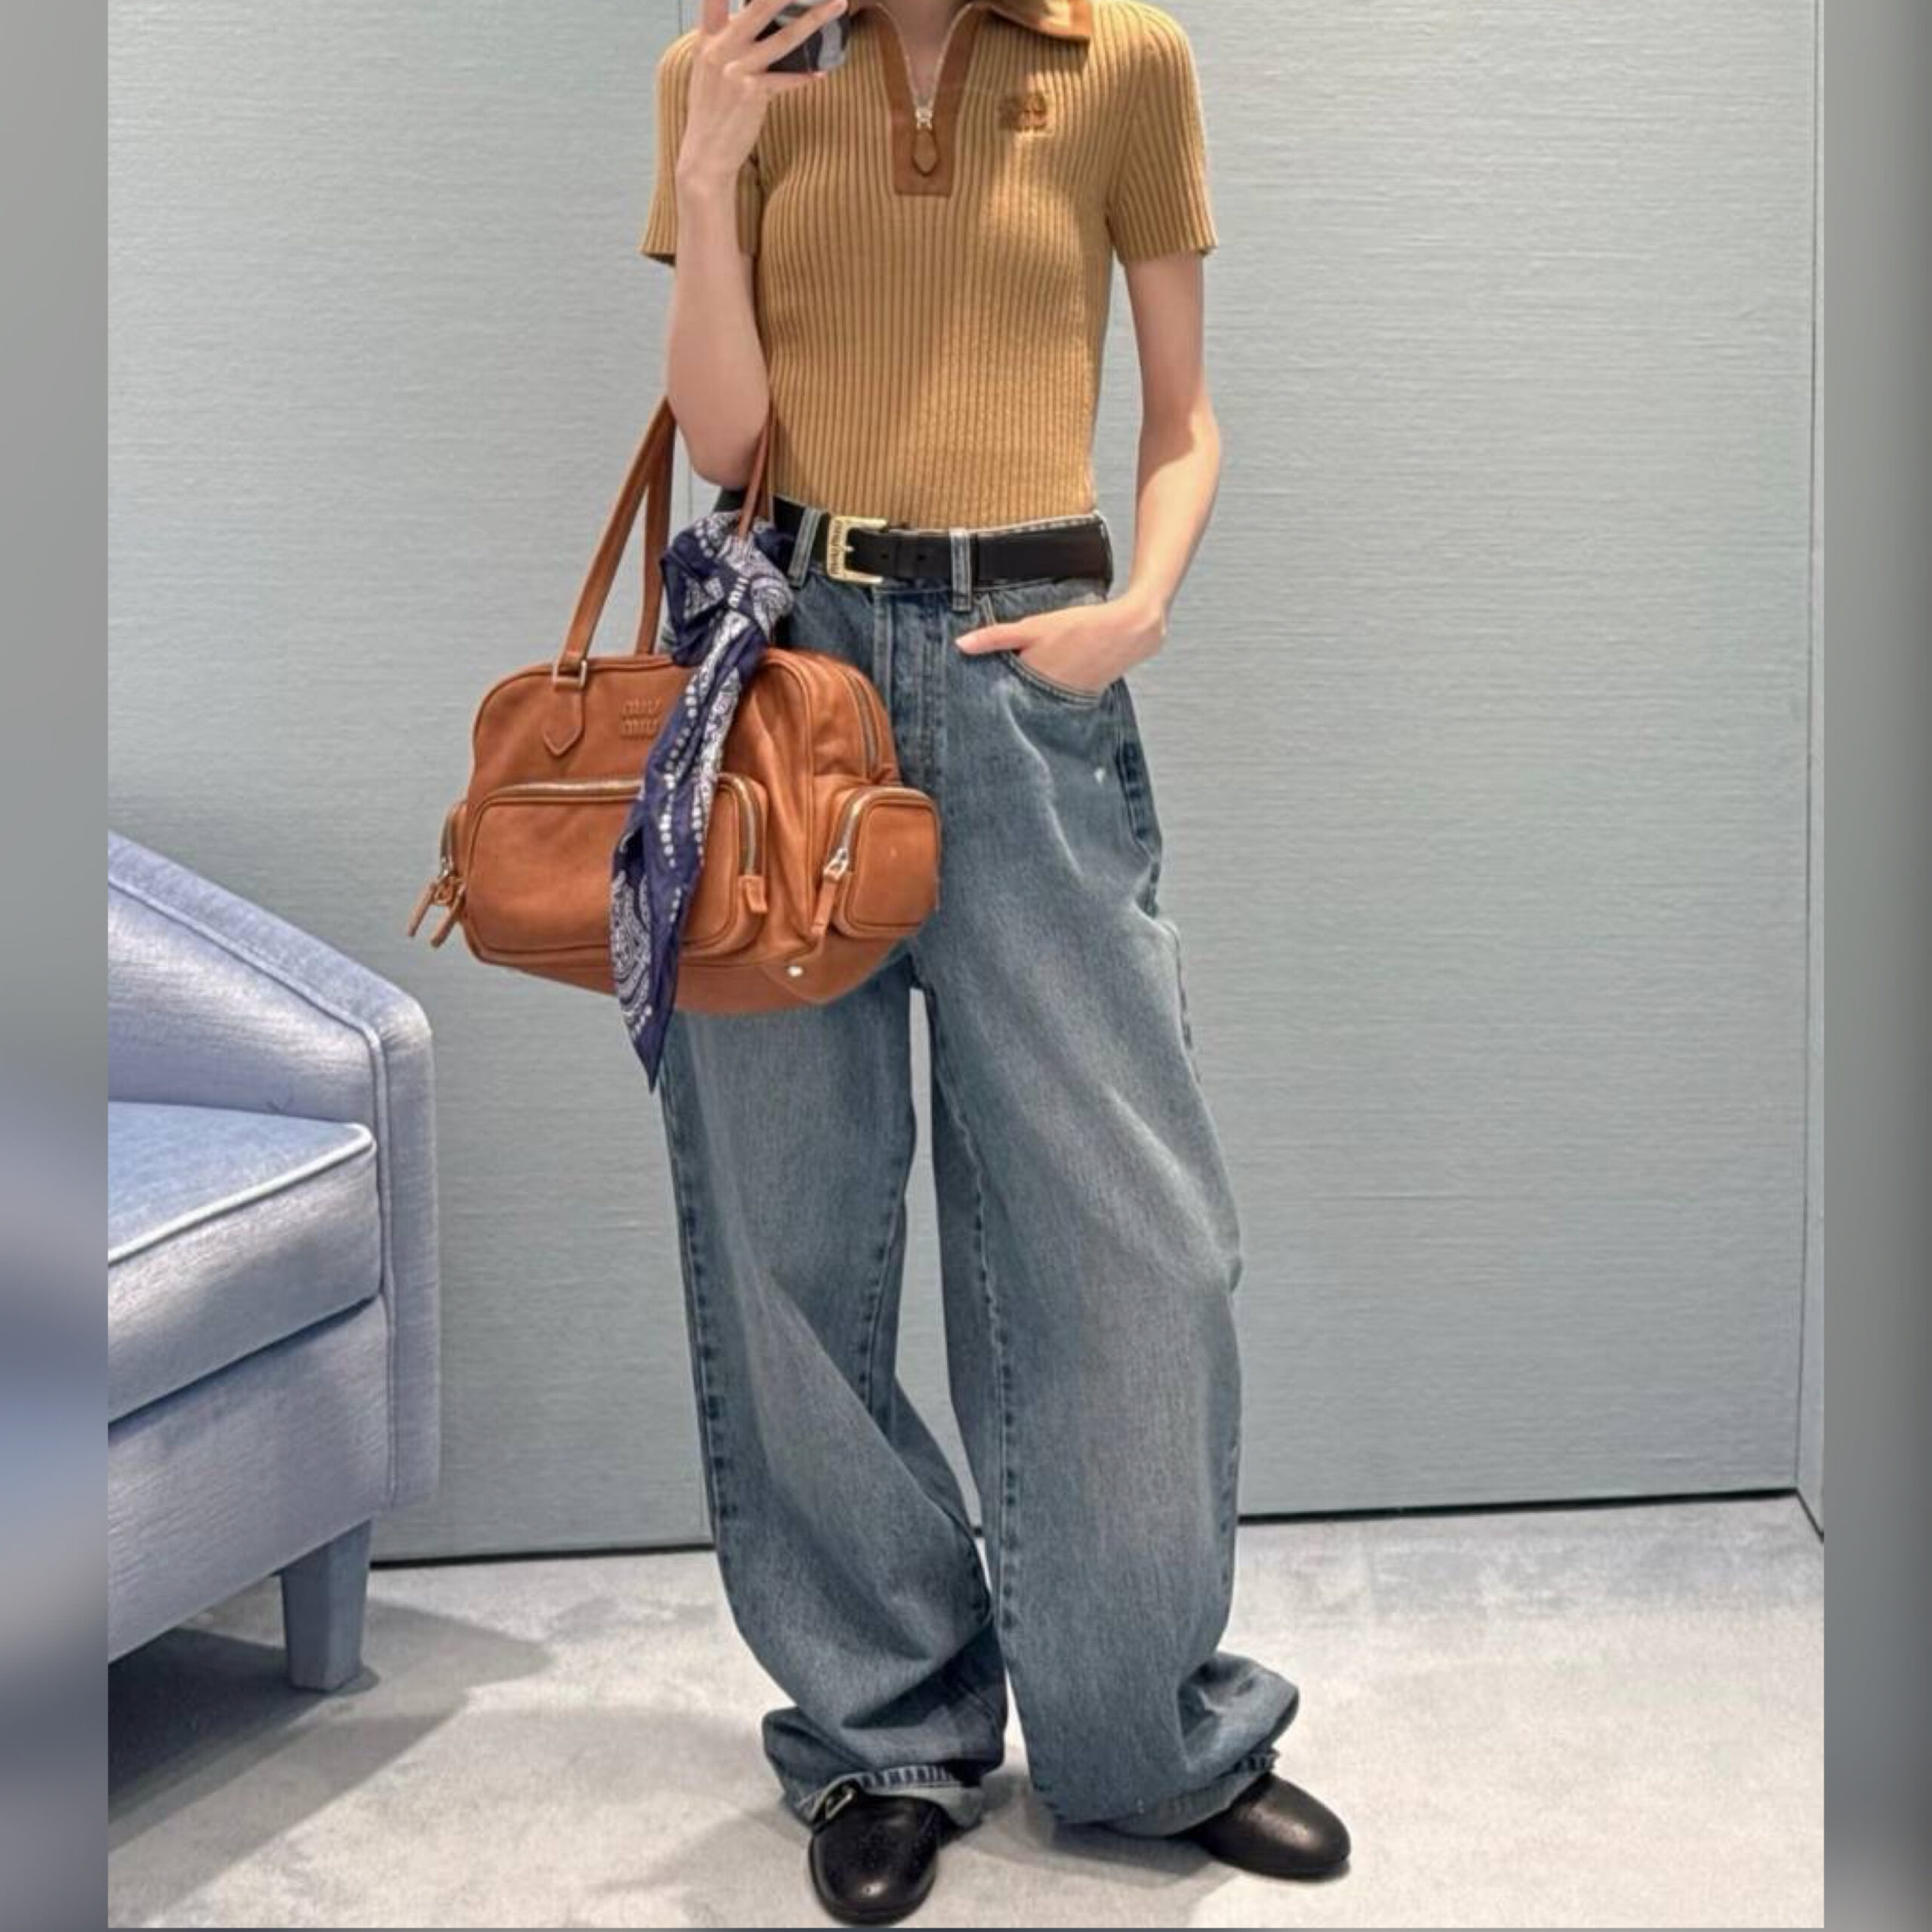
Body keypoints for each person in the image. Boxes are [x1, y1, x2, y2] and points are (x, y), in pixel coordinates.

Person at [638, 2, 1351, 1920]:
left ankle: (1142, 1730)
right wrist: (707, 175)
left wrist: (1137, 608)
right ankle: (881, 1726)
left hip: (1030, 670)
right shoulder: (730, 63)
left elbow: (1181, 413)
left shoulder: (1123, 61)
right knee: (787, 1227)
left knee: (1134, 1237)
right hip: (789, 687)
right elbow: (723, 437)